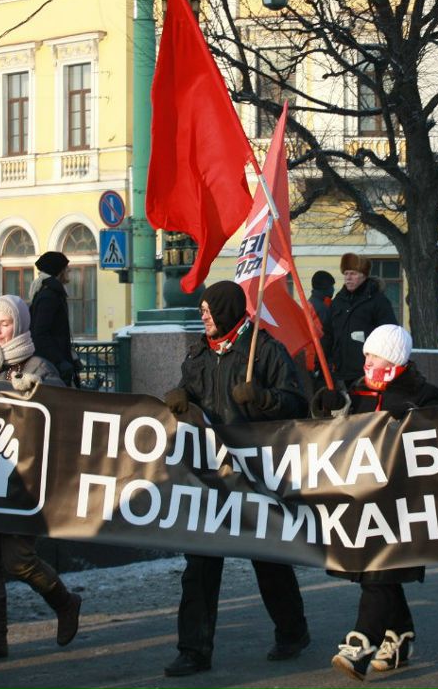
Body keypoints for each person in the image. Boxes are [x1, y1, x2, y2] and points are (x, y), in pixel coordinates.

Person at [162, 281, 310, 677]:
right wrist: (180, 395)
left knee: (269, 558)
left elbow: (298, 403)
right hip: (211, 473)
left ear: (228, 310)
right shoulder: (199, 353)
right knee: (200, 563)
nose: (204, 316)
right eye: (202, 311)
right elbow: (191, 392)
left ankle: (292, 632)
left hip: (256, 472)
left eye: (209, 309)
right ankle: (193, 650)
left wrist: (264, 399)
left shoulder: (264, 349)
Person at [312, 324, 438, 680]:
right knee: (380, 571)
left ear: (394, 357)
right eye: (366, 353)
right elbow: (334, 435)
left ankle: (362, 642)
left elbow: (437, 442)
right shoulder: (357, 393)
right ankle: (399, 638)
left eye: (373, 354)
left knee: (379, 571)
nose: (366, 359)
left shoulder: (424, 395)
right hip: (363, 502)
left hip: (404, 504)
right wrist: (328, 409)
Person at [0, 295, 82, 662]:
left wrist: (38, 391)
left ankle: (65, 601)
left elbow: (64, 409)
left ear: (21, 325)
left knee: (18, 560)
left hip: (23, 480)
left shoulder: (38, 365)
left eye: (6, 324)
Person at [322, 253, 397, 387]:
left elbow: (389, 335)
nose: (348, 278)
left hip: (367, 373)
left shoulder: (378, 301)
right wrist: (322, 363)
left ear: (364, 275)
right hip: (339, 373)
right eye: (345, 274)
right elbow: (328, 334)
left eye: (353, 273)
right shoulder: (338, 302)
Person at [29, 250, 80, 387]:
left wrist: (72, 359)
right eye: (66, 268)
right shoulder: (49, 296)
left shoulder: (53, 293)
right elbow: (40, 334)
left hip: (55, 363)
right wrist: (60, 362)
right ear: (59, 271)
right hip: (51, 367)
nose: (69, 270)